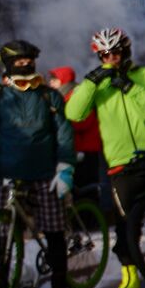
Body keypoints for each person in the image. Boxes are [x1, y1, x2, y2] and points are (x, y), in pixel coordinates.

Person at [66, 28, 145, 288]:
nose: (111, 59)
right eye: (105, 55)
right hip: (121, 161)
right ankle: (130, 280)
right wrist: (91, 84)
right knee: (126, 225)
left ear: (126, 52)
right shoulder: (99, 85)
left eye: (115, 53)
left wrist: (132, 88)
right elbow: (73, 113)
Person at [0, 41, 77, 288]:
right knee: (3, 232)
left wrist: (65, 166)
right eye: (18, 62)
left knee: (54, 230)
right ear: (7, 65)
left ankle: (60, 285)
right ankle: (1, 287)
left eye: (28, 60)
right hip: (8, 174)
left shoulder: (48, 96)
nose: (24, 65)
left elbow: (64, 132)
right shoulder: (0, 96)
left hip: (45, 172)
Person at [47, 66, 107, 196]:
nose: (50, 82)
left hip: (87, 152)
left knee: (86, 189)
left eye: (54, 79)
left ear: (63, 80)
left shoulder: (76, 96)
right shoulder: (63, 97)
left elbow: (82, 122)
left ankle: (91, 214)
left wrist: (60, 124)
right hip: (76, 150)